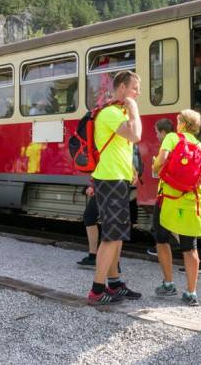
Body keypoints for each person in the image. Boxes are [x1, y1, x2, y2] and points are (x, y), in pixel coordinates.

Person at [87, 70, 142, 305]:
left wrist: (130, 167)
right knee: (110, 237)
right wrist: (134, 109)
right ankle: (97, 291)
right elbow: (136, 135)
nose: (137, 93)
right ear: (121, 88)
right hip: (109, 180)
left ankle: (115, 283)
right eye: (134, 89)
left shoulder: (116, 113)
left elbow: (123, 145)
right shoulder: (110, 113)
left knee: (116, 235)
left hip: (117, 178)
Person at [151, 110, 201, 306]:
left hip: (168, 199)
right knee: (190, 247)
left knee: (161, 239)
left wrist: (155, 167)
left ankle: (168, 284)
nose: (176, 123)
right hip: (190, 203)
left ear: (183, 124)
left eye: (178, 120)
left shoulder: (171, 137)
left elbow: (161, 161)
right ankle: (191, 293)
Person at [145, 118, 176, 257]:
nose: (156, 135)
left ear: (163, 132)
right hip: (172, 191)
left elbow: (158, 166)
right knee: (167, 224)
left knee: (161, 223)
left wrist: (154, 164)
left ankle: (161, 249)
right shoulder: (178, 140)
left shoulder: (168, 142)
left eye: (157, 132)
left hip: (167, 191)